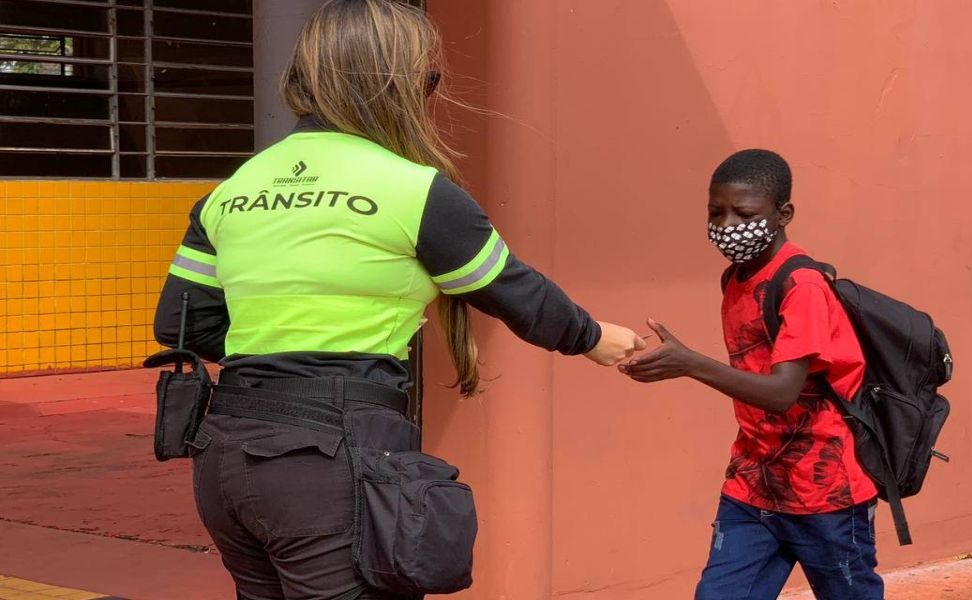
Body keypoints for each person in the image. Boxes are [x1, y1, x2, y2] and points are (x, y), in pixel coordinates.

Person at [152, 2, 644, 598]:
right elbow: (516, 292)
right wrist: (596, 339)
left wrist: (284, 336)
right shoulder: (418, 192)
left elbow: (183, 322)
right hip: (329, 459)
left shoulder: (232, 190)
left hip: (224, 457)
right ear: (398, 84)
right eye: (429, 80)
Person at [619, 149, 884, 600]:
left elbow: (782, 392)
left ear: (784, 214)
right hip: (753, 484)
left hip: (825, 496)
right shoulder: (736, 278)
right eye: (714, 212)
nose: (726, 226)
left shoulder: (801, 286)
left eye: (743, 214)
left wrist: (689, 363)